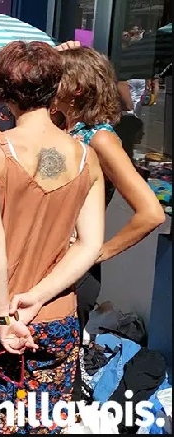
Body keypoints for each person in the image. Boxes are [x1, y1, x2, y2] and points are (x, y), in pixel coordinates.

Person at [0, 40, 105, 433]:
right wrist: (38, 296)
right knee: (43, 422)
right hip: (55, 315)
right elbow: (89, 245)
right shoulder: (85, 156)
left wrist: (6, 315)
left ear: (2, 92)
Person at [53, 42, 165, 330]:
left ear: (77, 88)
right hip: (48, 257)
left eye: (57, 76)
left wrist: (100, 252)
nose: (50, 82)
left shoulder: (100, 138)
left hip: (74, 267)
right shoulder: (64, 126)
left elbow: (151, 212)